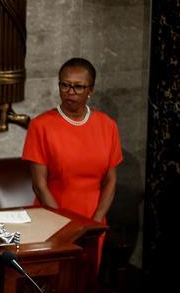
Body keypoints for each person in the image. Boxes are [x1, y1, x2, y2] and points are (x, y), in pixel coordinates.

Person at [22, 57, 122, 233]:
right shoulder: (40, 125)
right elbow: (39, 184)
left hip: (94, 219)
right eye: (65, 85)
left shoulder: (108, 125)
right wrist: (63, 223)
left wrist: (97, 221)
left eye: (78, 86)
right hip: (53, 217)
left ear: (91, 89)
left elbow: (110, 180)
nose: (70, 92)